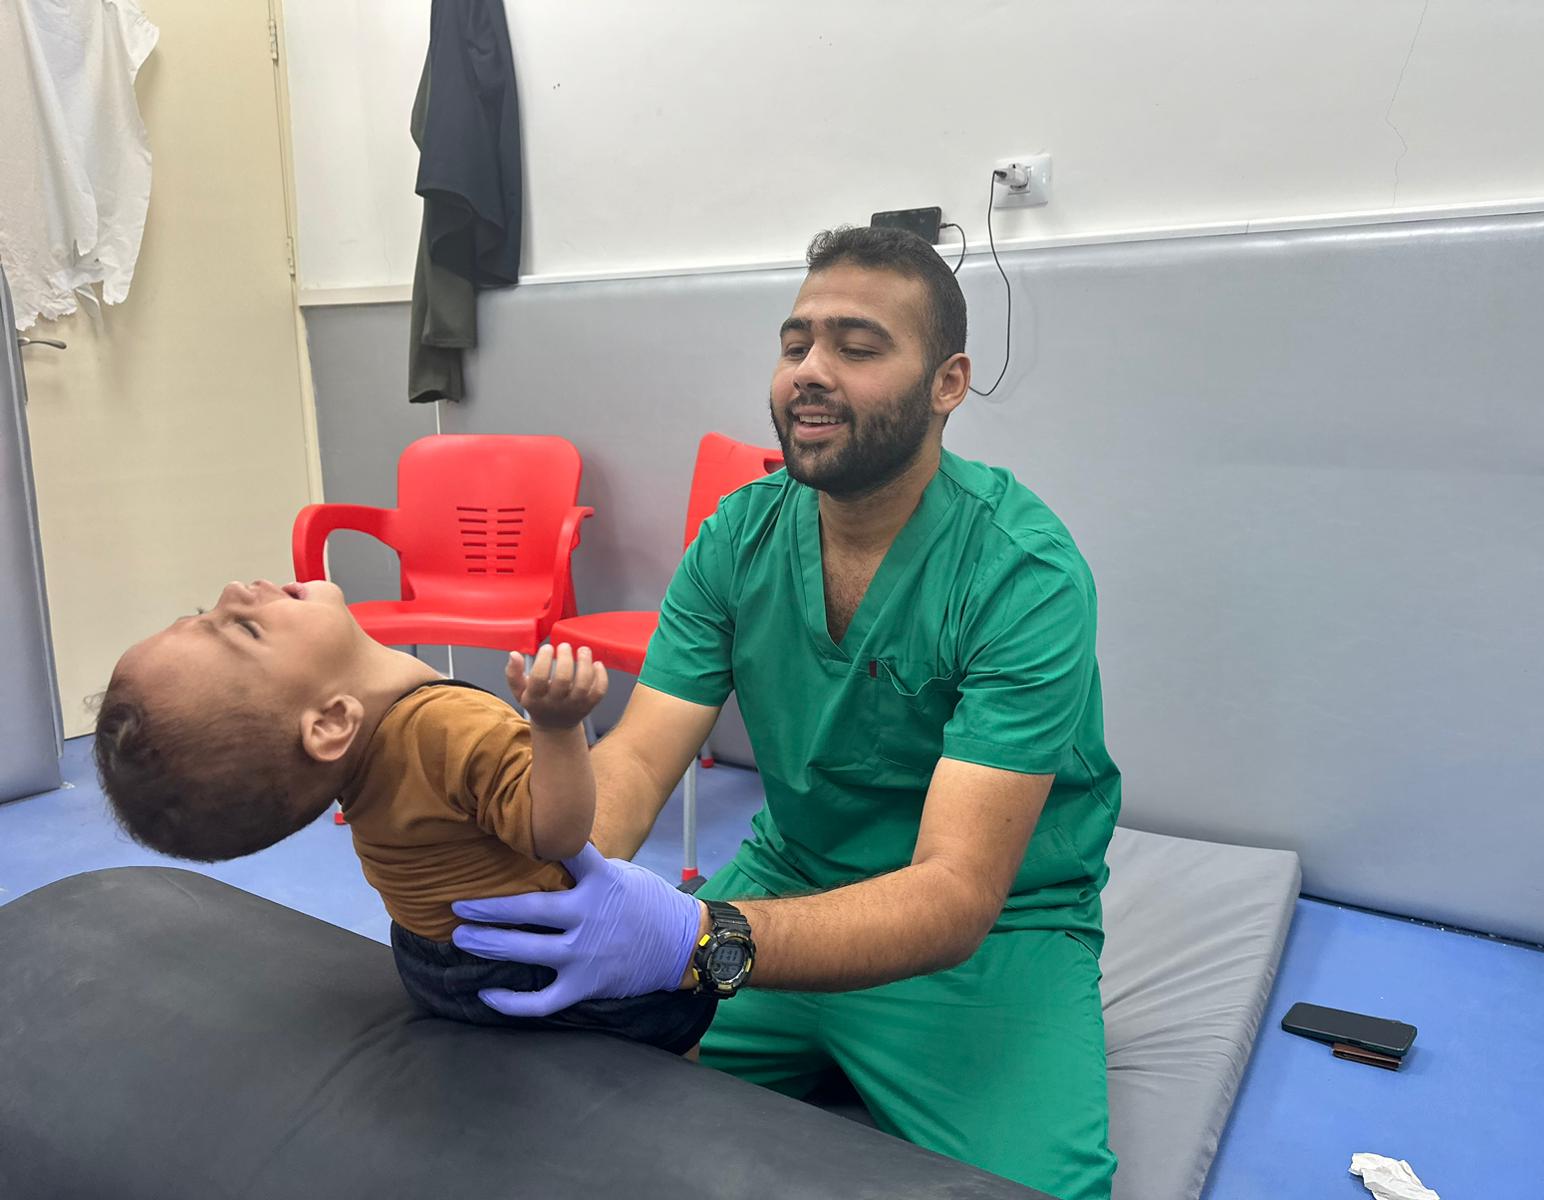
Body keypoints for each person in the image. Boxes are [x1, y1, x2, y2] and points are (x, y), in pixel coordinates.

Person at [450, 226, 1121, 1199]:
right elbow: (638, 762)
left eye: (856, 348)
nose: (809, 372)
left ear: (948, 383)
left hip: (992, 935)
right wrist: (539, 874)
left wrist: (697, 938)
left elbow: (954, 894)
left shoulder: (1022, 575)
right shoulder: (738, 538)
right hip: (789, 877)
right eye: (794, 342)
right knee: (552, 1091)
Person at [92, 580, 715, 1055]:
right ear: (332, 723)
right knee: (698, 929)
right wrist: (556, 731)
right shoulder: (444, 727)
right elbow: (557, 833)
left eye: (208, 612)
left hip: (436, 968)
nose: (235, 591)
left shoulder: (357, 759)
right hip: (538, 965)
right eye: (246, 630)